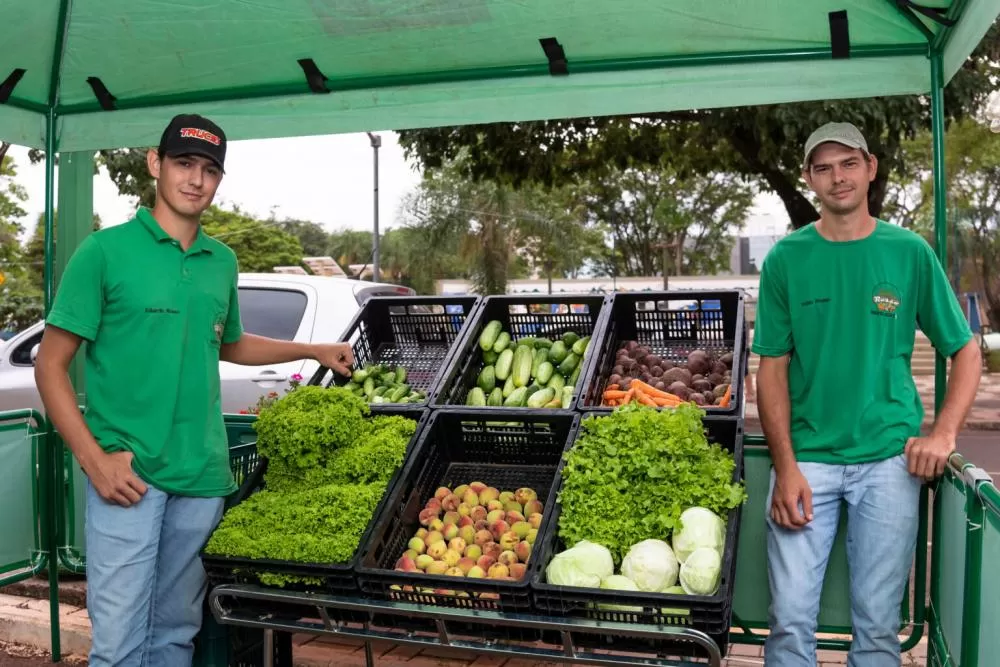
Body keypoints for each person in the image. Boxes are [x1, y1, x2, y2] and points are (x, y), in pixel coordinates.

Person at [34, 113, 355, 667]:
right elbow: (49, 365)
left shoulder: (222, 261)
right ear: (156, 164)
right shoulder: (103, 252)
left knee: (175, 635)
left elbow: (228, 343)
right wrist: (94, 460)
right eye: (184, 163)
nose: (196, 179)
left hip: (202, 479)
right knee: (119, 646)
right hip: (127, 478)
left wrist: (312, 350)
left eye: (209, 169)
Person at [752, 121, 981, 666]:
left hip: (889, 461)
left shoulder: (908, 252)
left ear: (870, 167)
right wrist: (785, 467)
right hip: (807, 462)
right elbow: (772, 371)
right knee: (788, 623)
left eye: (848, 163)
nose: (838, 177)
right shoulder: (787, 259)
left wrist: (943, 434)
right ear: (809, 178)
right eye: (824, 167)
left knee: (879, 627)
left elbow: (965, 350)